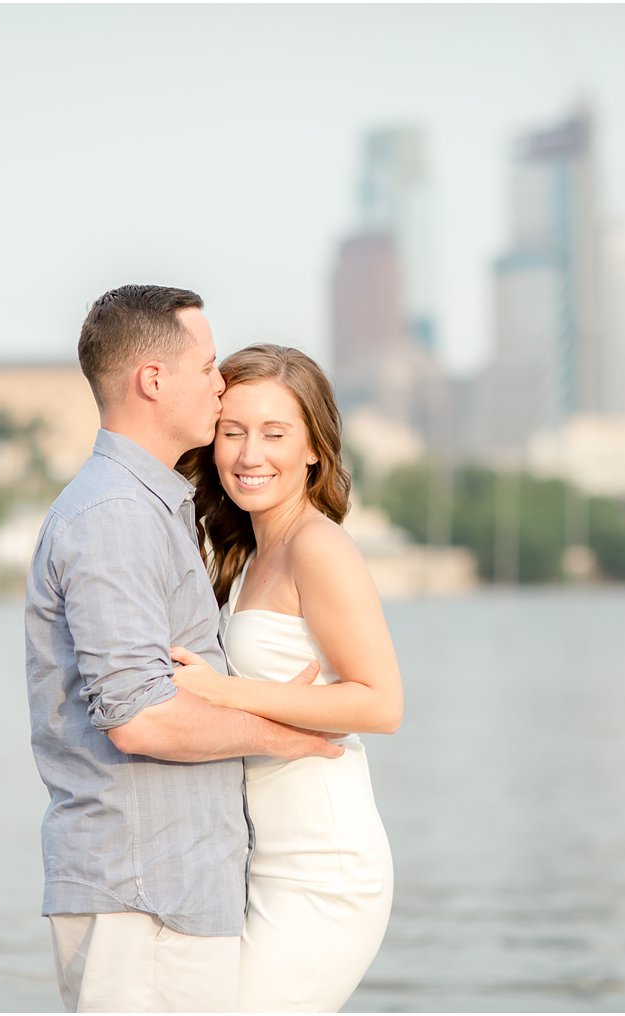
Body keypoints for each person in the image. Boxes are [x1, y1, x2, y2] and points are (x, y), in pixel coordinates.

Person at [24, 286, 343, 1014]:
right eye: (206, 367)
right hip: (144, 892)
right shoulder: (114, 517)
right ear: (153, 381)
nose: (220, 383)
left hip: (172, 888)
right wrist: (290, 732)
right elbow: (141, 719)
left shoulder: (151, 507)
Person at [171, 344, 402, 1011]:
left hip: (325, 866)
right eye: (232, 431)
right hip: (265, 859)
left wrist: (225, 691)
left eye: (275, 434)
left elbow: (383, 703)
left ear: (313, 449)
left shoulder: (316, 545)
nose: (250, 454)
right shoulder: (249, 548)